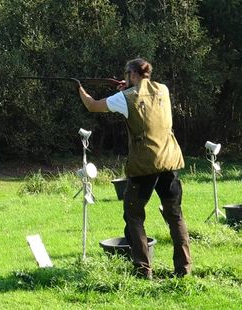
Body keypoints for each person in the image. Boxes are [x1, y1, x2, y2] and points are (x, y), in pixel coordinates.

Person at [74, 58, 192, 279]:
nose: (125, 77)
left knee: (134, 215)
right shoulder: (163, 90)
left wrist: (79, 88)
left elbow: (92, 105)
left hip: (145, 164)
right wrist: (127, 88)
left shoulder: (125, 97)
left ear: (133, 75)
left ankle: (143, 270)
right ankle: (184, 269)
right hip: (170, 160)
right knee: (175, 215)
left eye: (126, 74)